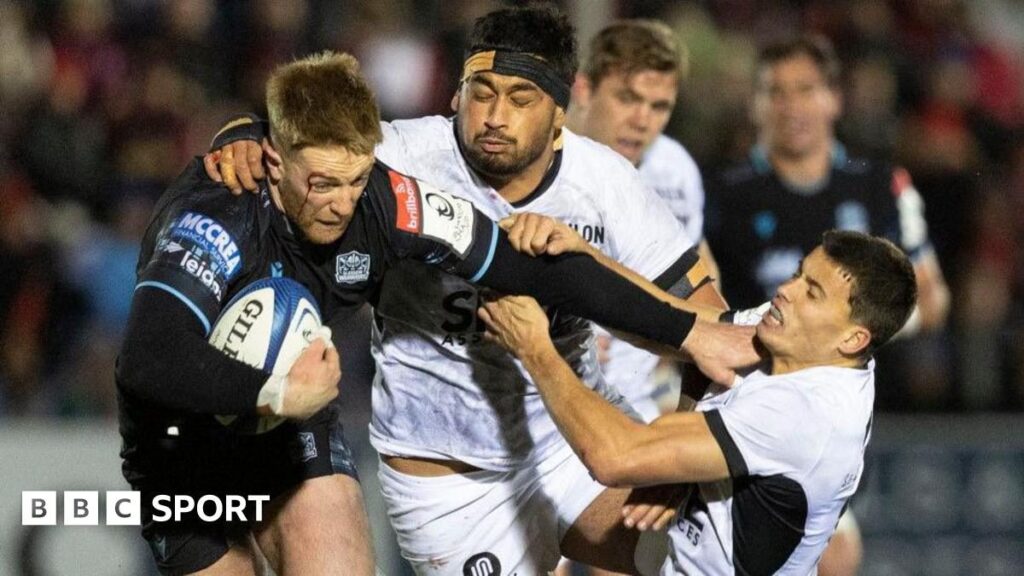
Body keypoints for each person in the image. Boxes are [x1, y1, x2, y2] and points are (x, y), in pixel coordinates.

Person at [119, 50, 742, 576]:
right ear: (275, 160)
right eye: (322, 184)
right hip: (182, 449)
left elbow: (533, 270)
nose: (341, 206)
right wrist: (276, 389)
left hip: (291, 427)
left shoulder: (387, 203)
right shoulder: (213, 220)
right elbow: (148, 360)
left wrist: (691, 332)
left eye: (356, 179)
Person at [479, 229, 918, 575]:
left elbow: (614, 457)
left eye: (812, 291)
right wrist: (585, 257)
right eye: (800, 273)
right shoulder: (799, 340)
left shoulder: (807, 416)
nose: (787, 288)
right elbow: (682, 327)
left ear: (853, 338)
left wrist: (535, 348)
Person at [703, 36, 951, 576]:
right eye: (777, 92)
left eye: (806, 90)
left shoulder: (881, 184)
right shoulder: (720, 192)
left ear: (835, 98)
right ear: (756, 104)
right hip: (736, 402)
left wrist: (845, 330)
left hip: (828, 412)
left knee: (832, 557)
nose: (792, 106)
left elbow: (932, 300)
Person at [565, 18, 720, 424]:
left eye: (659, 106)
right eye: (627, 98)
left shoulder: (674, 170)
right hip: (541, 400)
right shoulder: (535, 160)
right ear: (584, 88)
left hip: (634, 408)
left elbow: (698, 271)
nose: (642, 120)